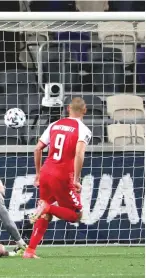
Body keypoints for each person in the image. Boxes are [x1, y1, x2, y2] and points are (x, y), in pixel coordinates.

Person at [23, 97, 92, 259]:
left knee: (44, 213)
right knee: (75, 215)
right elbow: (79, 153)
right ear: (85, 110)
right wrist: (76, 179)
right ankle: (47, 207)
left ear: (68, 108)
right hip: (62, 176)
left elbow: (37, 148)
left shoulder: (54, 125)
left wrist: (39, 173)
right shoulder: (83, 129)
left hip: (47, 171)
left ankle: (30, 250)